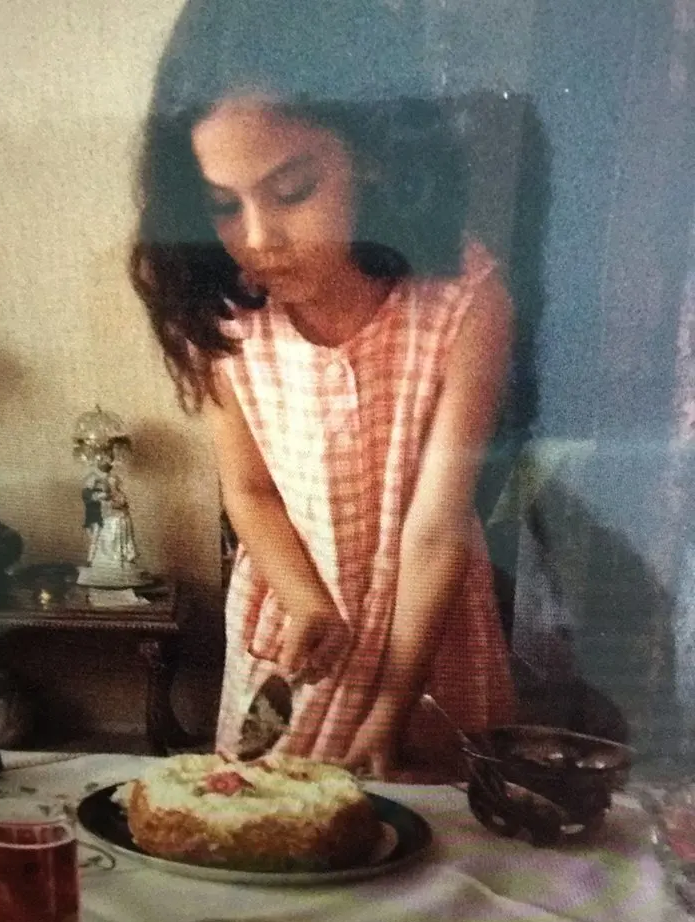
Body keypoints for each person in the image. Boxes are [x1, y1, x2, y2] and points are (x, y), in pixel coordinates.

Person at [130, 0, 516, 780]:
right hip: (295, 627)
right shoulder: (224, 309)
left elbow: (437, 530)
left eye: (293, 189)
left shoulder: (466, 303)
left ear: (371, 153)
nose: (259, 238)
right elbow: (250, 493)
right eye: (223, 205)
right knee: (264, 826)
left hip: (425, 641)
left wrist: (391, 706)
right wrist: (306, 600)